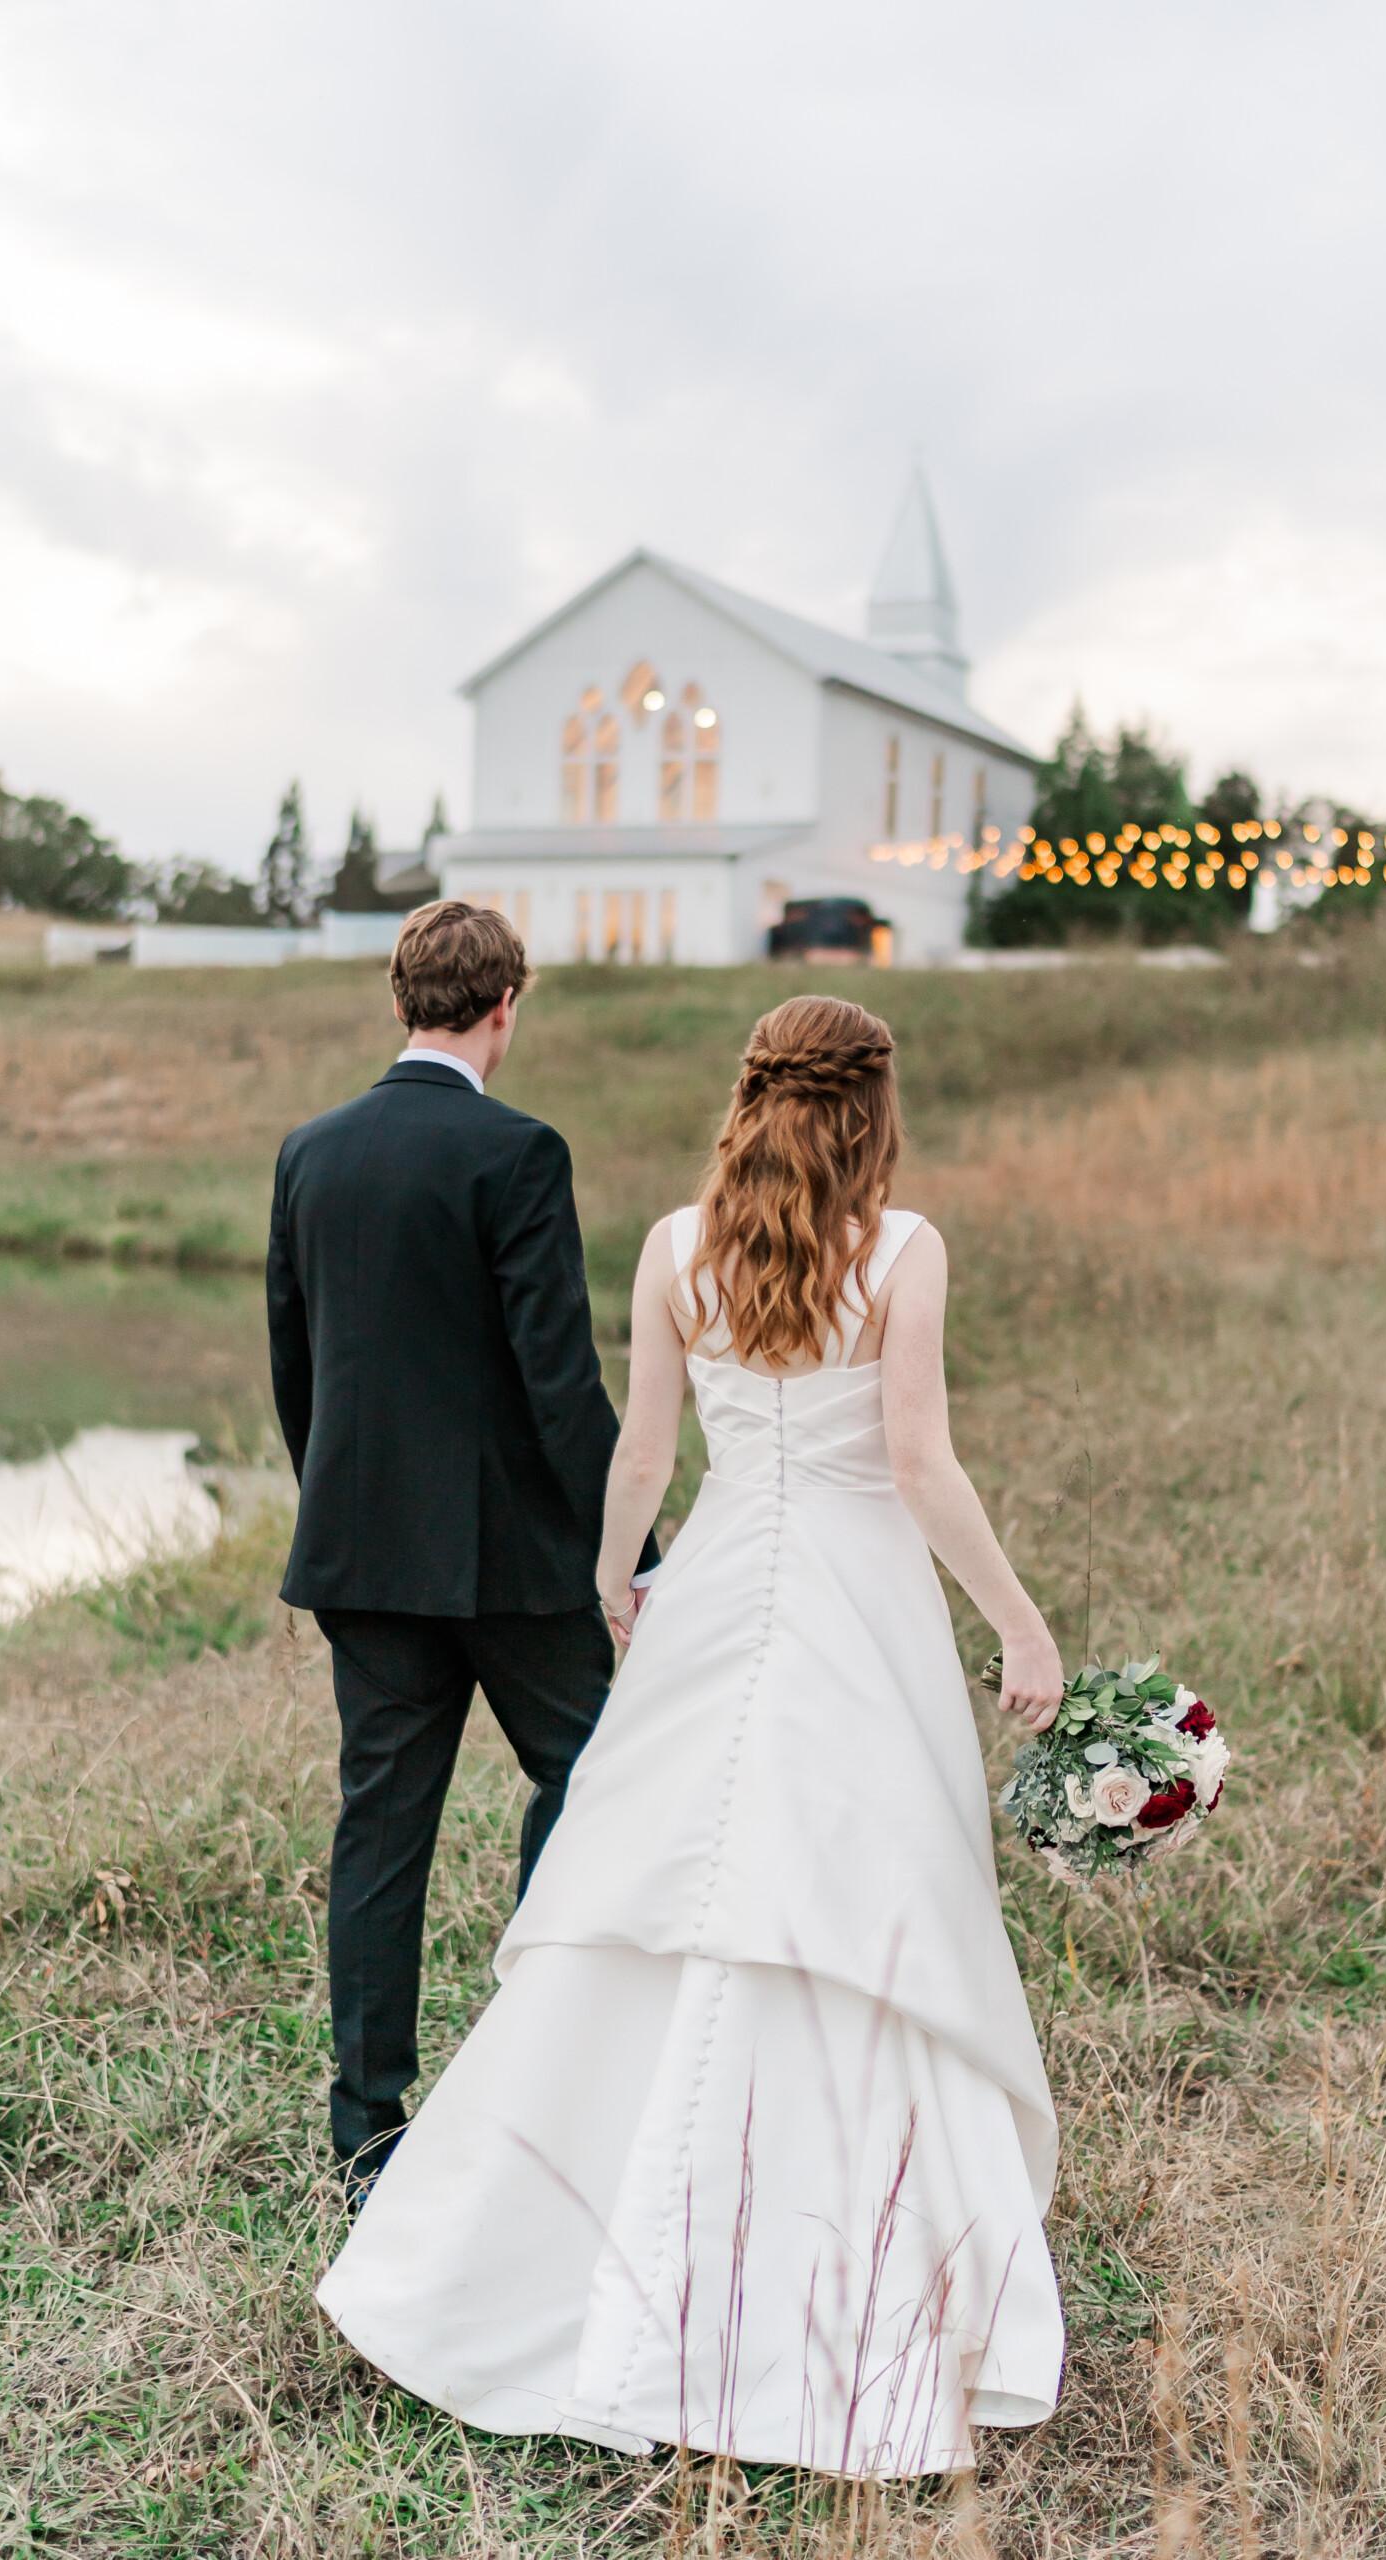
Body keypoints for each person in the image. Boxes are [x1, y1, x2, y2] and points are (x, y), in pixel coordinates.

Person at [318, 994, 1067, 2479]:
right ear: (872, 1106)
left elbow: (645, 1447)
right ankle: (839, 2305)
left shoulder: (676, 1245)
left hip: (717, 1589)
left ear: (750, 1095)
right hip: (862, 1604)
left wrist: (616, 1578)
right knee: (859, 1894)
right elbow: (917, 1461)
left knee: (667, 1893)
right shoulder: (903, 1251)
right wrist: (1020, 1625)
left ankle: (545, 2248)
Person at [266, 900, 657, 2200]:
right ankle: (526, 2066)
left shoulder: (310, 1153)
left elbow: (298, 1372)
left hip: (365, 1562)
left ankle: (366, 2134)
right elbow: (561, 1378)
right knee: (591, 1777)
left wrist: (345, 1504)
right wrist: (635, 1549)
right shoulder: (518, 1152)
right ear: (507, 1006)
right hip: (512, 1568)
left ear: (400, 1001)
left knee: (382, 1828)